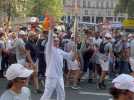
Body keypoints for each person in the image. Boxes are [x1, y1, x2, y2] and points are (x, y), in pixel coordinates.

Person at [40, 18, 71, 100]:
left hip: (60, 76)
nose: (56, 41)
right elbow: (50, 40)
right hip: (51, 75)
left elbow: (70, 56)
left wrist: (75, 48)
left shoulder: (60, 51)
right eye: (54, 40)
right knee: (47, 94)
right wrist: (51, 29)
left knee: (61, 94)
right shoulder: (49, 49)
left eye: (57, 40)